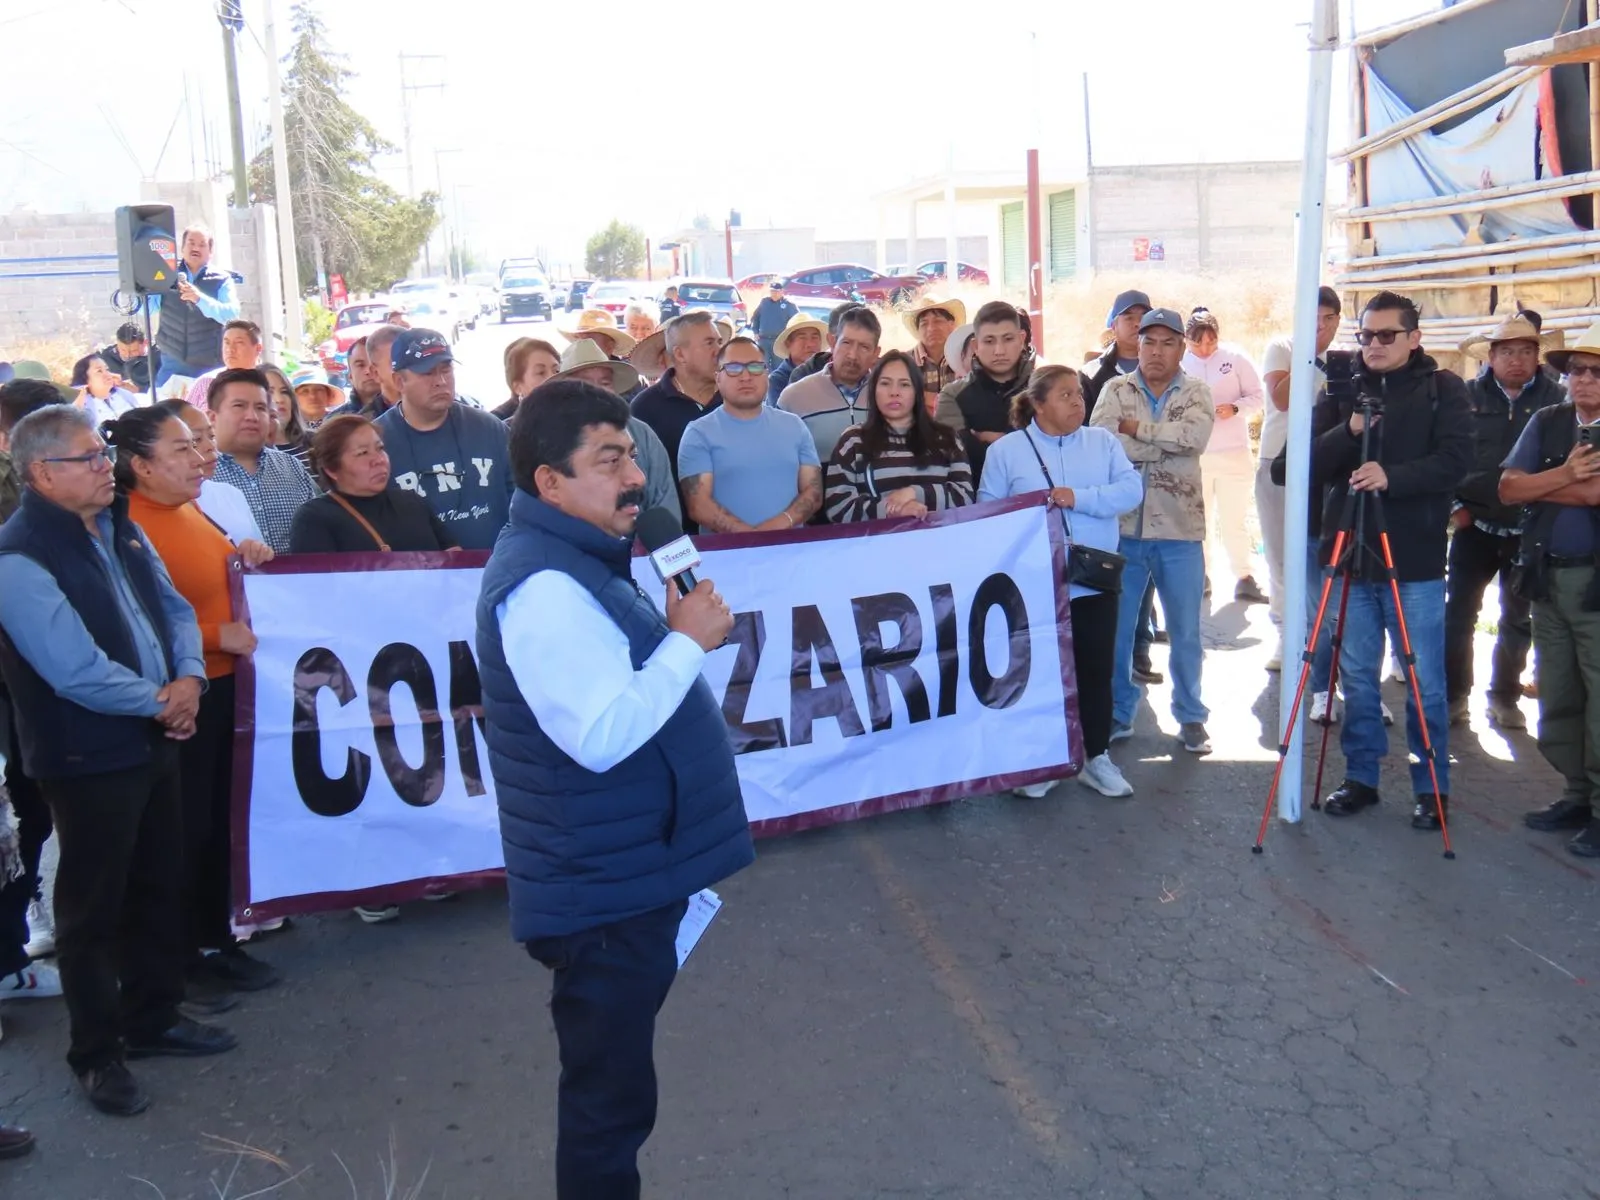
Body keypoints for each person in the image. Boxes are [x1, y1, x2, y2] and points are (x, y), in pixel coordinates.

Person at [478, 380, 754, 1199]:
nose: (635, 475)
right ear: (548, 483)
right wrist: (684, 645)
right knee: (608, 1106)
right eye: (609, 460)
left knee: (616, 1097)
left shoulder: (586, 556)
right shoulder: (543, 589)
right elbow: (599, 737)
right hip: (602, 897)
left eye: (631, 453)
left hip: (627, 873)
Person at [0, 405, 237, 1117]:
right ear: (43, 473)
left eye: (103, 455)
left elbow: (168, 609)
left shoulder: (116, 526)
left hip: (154, 734)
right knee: (92, 910)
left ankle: (154, 1015)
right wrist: (163, 700)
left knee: (160, 879)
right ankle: (97, 1052)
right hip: (87, 754)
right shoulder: (19, 556)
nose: (106, 466)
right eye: (89, 458)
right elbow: (70, 667)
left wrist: (189, 678)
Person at [105, 407, 279, 1007]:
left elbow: (213, 578)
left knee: (218, 825)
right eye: (180, 449)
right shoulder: (125, 526)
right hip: (187, 691)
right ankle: (181, 957)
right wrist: (213, 636)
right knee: (184, 832)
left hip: (229, 684)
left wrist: (246, 558)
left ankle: (216, 940)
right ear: (140, 465)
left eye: (195, 445)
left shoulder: (190, 507)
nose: (198, 457)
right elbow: (138, 620)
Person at [1311, 291, 1474, 829]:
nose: (1374, 345)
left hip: (1416, 563)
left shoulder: (1443, 390)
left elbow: (1456, 462)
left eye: (1387, 335)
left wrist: (1392, 476)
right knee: (1357, 678)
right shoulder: (1342, 389)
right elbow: (1297, 466)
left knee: (1424, 680)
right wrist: (1350, 430)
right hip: (1352, 559)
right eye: (1367, 335)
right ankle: (1361, 778)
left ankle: (1432, 789)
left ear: (1414, 337)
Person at [980, 364, 1143, 797]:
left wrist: (1080, 499)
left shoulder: (1102, 442)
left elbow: (1131, 491)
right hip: (1033, 585)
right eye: (1066, 395)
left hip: (1094, 580)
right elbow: (987, 510)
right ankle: (1042, 761)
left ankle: (1096, 756)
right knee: (1041, 673)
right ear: (1038, 403)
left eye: (1079, 394)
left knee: (1095, 669)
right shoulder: (1008, 451)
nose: (1077, 402)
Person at [1089, 307, 1217, 754]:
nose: (1157, 351)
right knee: (1118, 632)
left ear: (1182, 347)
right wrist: (1161, 439)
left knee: (1185, 632)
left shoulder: (1198, 391)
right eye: (1149, 342)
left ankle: (1192, 716)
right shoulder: (1113, 389)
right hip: (1123, 532)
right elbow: (1104, 445)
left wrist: (1137, 431)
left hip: (1181, 532)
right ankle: (1120, 712)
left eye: (1167, 342)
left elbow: (1194, 440)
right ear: (1135, 345)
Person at [1498, 319, 1600, 856]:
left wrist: (1550, 487)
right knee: (1558, 693)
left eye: (1595, 372)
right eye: (1576, 370)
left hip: (1594, 582)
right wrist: (1565, 476)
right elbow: (1509, 488)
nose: (1582, 380)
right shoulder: (1549, 420)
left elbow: (1594, 498)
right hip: (1547, 575)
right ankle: (1577, 795)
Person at [1446, 313, 1560, 729]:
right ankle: (1454, 695)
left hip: (1530, 527)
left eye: (1526, 351)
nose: (1517, 360)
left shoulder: (1557, 400)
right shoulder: (1464, 396)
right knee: (1459, 614)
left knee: (1517, 618)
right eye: (1507, 352)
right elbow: (1444, 453)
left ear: (1537, 356)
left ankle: (1504, 697)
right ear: (1491, 356)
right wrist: (1454, 508)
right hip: (1473, 523)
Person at [1260, 285, 1342, 670]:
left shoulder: (1347, 359)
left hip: (1324, 468)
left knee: (1318, 554)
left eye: (1329, 319)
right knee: (1279, 552)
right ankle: (1284, 634)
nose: (1321, 327)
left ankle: (1321, 637)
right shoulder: (1283, 348)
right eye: (1313, 318)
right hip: (1279, 462)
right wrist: (1307, 353)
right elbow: (1281, 398)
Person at [374, 329, 513, 551]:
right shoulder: (376, 442)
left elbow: (522, 503)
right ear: (399, 381)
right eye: (427, 373)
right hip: (417, 579)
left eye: (446, 370)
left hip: (493, 572)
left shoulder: (490, 429)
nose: (440, 381)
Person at [679, 336, 822, 531]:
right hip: (727, 557)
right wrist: (750, 538)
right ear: (717, 378)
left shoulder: (794, 425)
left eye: (755, 367)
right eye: (733, 368)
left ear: (767, 374)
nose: (745, 376)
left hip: (790, 553)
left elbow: (813, 491)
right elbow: (698, 505)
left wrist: (779, 524)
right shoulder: (698, 433)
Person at [825, 350, 973, 523]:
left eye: (904, 384)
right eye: (885, 383)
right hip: (875, 545)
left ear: (917, 392)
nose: (894, 392)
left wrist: (914, 493)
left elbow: (966, 498)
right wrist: (891, 511)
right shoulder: (853, 441)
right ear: (873, 390)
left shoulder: (947, 438)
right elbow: (837, 507)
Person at [1181, 307, 1267, 603]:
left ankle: (1244, 576)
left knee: (1235, 519)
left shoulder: (1236, 358)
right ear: (1187, 341)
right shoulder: (1179, 363)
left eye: (1211, 342)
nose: (1205, 349)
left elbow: (1258, 397)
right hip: (1196, 455)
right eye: (1198, 343)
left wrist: (1235, 408)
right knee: (1198, 519)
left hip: (1233, 453)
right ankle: (1201, 575)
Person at [543, 340, 680, 522]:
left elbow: (665, 504)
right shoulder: (547, 439)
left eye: (605, 383)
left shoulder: (641, 433)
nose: (596, 392)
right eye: (584, 384)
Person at [289, 415, 459, 554]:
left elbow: (454, 557)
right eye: (363, 453)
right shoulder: (314, 519)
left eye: (380, 448)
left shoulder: (412, 501)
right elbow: (317, 588)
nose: (379, 460)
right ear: (331, 469)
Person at [210, 368, 321, 554]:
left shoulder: (292, 468)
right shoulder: (199, 476)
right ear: (213, 417)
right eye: (239, 406)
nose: (252, 417)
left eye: (260, 408)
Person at [936, 301, 1036, 484]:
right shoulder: (953, 396)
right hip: (978, 503)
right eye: (989, 341)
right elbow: (958, 460)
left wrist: (999, 441)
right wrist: (1029, 442)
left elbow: (1061, 450)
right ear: (975, 346)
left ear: (1022, 339)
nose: (999, 351)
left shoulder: (1044, 389)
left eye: (1008, 339)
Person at [778, 305, 882, 467]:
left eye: (864, 347)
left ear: (876, 353)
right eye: (846, 343)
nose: (852, 355)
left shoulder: (885, 396)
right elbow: (779, 462)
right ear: (832, 342)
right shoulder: (794, 397)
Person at [630, 310, 724, 479]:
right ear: (680, 354)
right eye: (709, 343)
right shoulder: (645, 408)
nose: (720, 350)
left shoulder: (736, 397)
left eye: (720, 342)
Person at [150, 222, 242, 387]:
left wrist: (200, 299)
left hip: (208, 365)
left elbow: (232, 314)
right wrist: (143, 285)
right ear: (182, 248)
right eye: (191, 243)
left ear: (210, 251)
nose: (196, 248)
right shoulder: (165, 276)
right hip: (172, 365)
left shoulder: (221, 280)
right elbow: (147, 308)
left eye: (202, 245)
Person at [163, 399, 264, 545]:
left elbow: (261, 552)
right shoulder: (159, 504)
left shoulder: (231, 494)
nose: (210, 446)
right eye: (196, 440)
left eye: (211, 436)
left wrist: (255, 553)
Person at [1082, 290, 1151, 419]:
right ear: (1114, 326)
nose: (1137, 324)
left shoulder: (1168, 368)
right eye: (1129, 318)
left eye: (1143, 318)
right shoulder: (1091, 375)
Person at [904, 297, 966, 416]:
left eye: (937, 321)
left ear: (952, 325)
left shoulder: (964, 359)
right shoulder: (905, 363)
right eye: (924, 323)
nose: (931, 328)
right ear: (918, 330)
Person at [186, 320, 264, 412]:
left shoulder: (270, 383)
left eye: (239, 343)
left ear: (258, 348)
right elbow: (186, 421)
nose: (230, 349)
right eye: (227, 343)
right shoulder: (206, 382)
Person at [789, 301, 863, 387]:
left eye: (865, 346)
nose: (854, 354)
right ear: (832, 340)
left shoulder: (878, 376)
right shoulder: (803, 377)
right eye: (847, 343)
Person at [492, 338, 563, 421]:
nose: (553, 377)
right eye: (541, 372)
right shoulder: (502, 428)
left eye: (557, 371)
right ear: (518, 387)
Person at [259, 363, 313, 470]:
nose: (279, 399)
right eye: (269, 392)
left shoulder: (315, 442)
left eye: (284, 392)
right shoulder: (251, 455)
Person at [766, 314, 827, 405]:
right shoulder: (777, 380)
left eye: (814, 337)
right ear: (788, 344)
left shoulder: (828, 371)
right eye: (802, 338)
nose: (810, 344)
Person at [75, 354, 144, 426]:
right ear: (85, 380)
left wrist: (122, 384)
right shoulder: (84, 406)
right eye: (99, 371)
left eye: (107, 369)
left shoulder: (122, 394)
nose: (107, 374)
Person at [97, 321, 160, 394]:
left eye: (133, 351)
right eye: (122, 350)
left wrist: (139, 390)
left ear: (145, 343)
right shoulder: (105, 357)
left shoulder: (158, 356)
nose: (127, 355)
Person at [749, 279, 799, 366]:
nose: (774, 294)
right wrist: (755, 331)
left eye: (776, 291)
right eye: (772, 291)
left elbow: (796, 321)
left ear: (782, 292)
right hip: (764, 340)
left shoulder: (789, 305)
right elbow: (755, 317)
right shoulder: (764, 302)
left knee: (779, 366)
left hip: (779, 341)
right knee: (763, 365)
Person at [332, 336, 385, 417]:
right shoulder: (335, 422)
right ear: (350, 376)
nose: (368, 371)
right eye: (361, 365)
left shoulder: (407, 412)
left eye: (374, 364)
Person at [290, 363, 340, 431]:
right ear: (294, 397)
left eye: (318, 390)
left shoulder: (339, 424)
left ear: (328, 394)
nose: (313, 396)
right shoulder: (287, 425)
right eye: (305, 391)